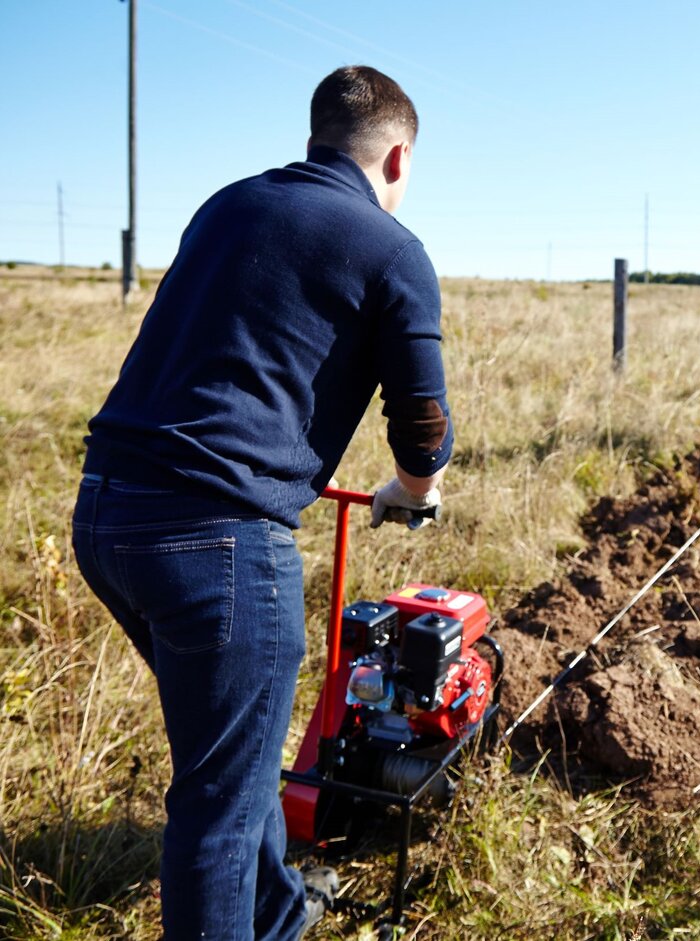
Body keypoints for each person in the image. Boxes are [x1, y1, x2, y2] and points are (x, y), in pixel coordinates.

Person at [70, 66, 452, 940]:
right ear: (396, 156)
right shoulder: (394, 250)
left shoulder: (228, 204)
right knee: (220, 805)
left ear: (318, 138)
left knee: (231, 763)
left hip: (104, 514)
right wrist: (413, 492)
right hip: (216, 540)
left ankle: (278, 915)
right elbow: (422, 425)